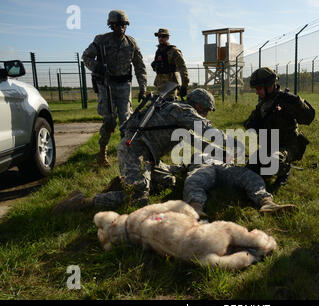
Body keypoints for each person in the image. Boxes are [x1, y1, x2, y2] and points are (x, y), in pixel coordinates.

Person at [52, 88, 232, 214]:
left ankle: (126, 183)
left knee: (169, 181)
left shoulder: (177, 113)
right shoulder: (183, 111)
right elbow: (208, 131)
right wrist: (234, 145)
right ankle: (84, 201)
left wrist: (222, 154)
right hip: (135, 152)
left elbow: (196, 141)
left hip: (148, 157)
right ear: (199, 107)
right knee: (139, 199)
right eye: (206, 111)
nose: (206, 114)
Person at [82, 10, 147, 167]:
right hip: (106, 85)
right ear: (111, 25)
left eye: (123, 25)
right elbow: (86, 56)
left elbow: (140, 67)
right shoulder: (101, 41)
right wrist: (97, 67)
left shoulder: (131, 43)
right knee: (110, 120)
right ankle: (102, 151)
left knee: (126, 121)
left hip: (124, 85)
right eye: (117, 25)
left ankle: (126, 153)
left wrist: (143, 87)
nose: (121, 28)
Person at [244, 67, 315, 186]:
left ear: (270, 85)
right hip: (269, 146)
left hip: (288, 146)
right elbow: (249, 123)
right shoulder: (263, 103)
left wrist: (298, 103)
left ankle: (284, 170)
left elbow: (308, 118)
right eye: (256, 89)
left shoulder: (287, 100)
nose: (257, 92)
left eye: (259, 88)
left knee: (275, 162)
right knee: (250, 170)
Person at [183, 153, 296, 216]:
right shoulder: (194, 158)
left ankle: (267, 203)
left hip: (225, 169)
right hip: (203, 168)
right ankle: (196, 208)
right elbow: (176, 169)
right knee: (193, 181)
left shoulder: (221, 153)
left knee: (250, 176)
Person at [151, 28, 189, 100]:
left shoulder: (174, 51)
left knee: (170, 106)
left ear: (167, 38)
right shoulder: (158, 51)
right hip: (159, 86)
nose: (160, 38)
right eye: (159, 36)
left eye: (163, 36)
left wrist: (184, 85)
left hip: (170, 86)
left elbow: (182, 68)